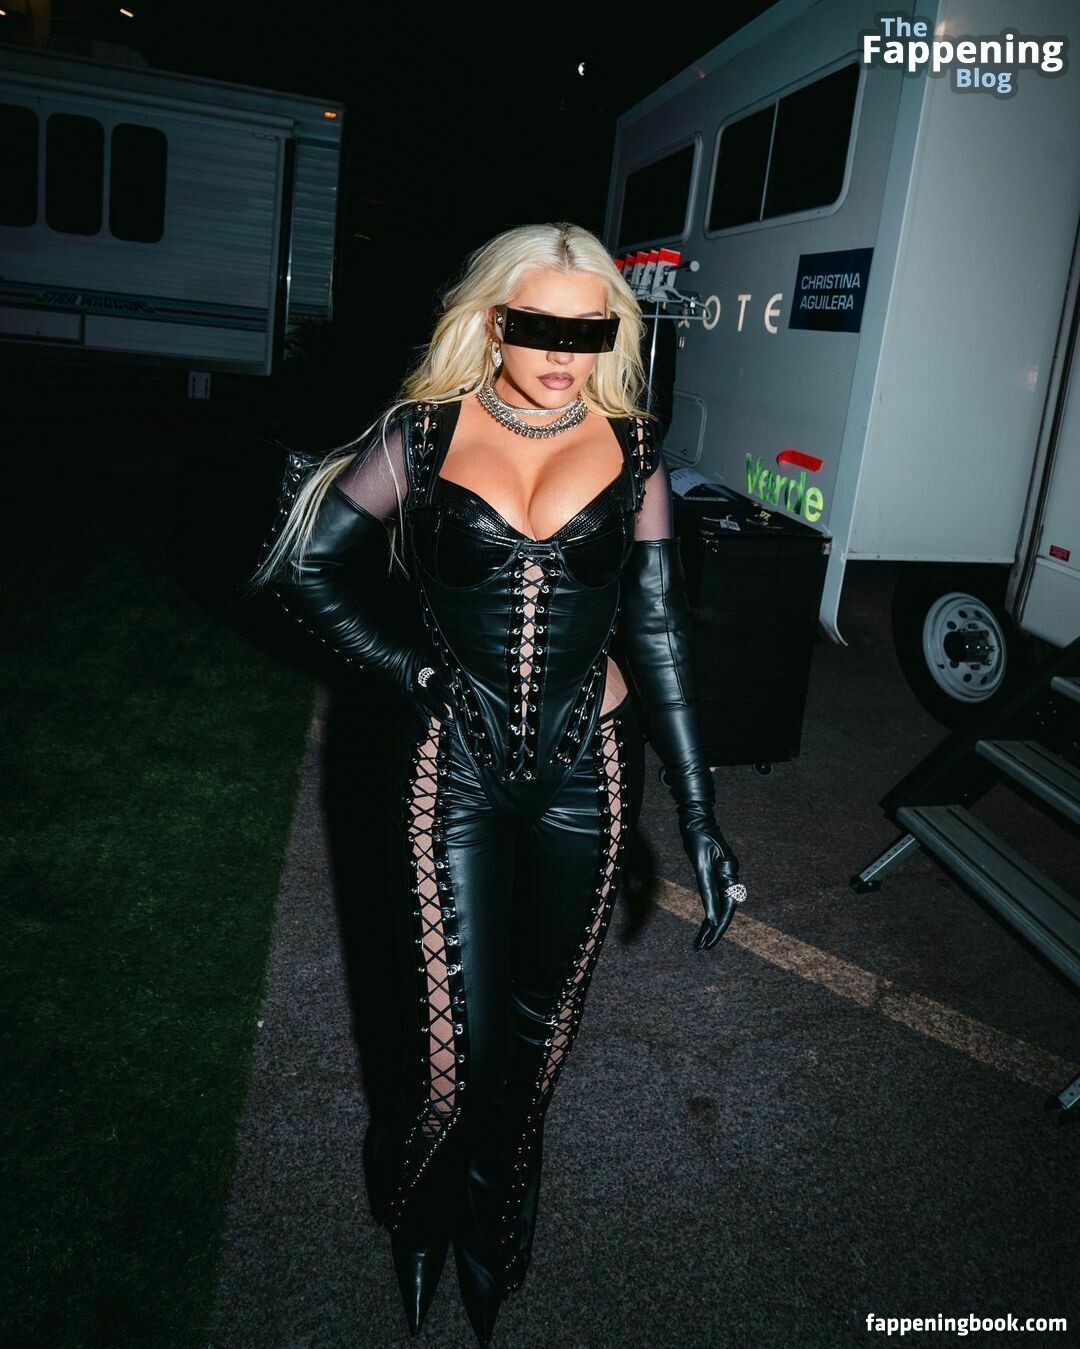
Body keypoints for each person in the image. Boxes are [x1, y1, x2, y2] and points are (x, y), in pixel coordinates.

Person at [248, 221, 747, 1347]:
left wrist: (701, 811)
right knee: (446, 1067)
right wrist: (410, 669)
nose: (564, 352)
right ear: (490, 320)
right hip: (454, 774)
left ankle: (496, 1222)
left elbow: (657, 631)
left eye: (590, 330)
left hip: (588, 774)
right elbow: (302, 567)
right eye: (538, 325)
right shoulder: (422, 435)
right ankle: (419, 1210)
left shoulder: (636, 447)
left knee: (540, 1042)